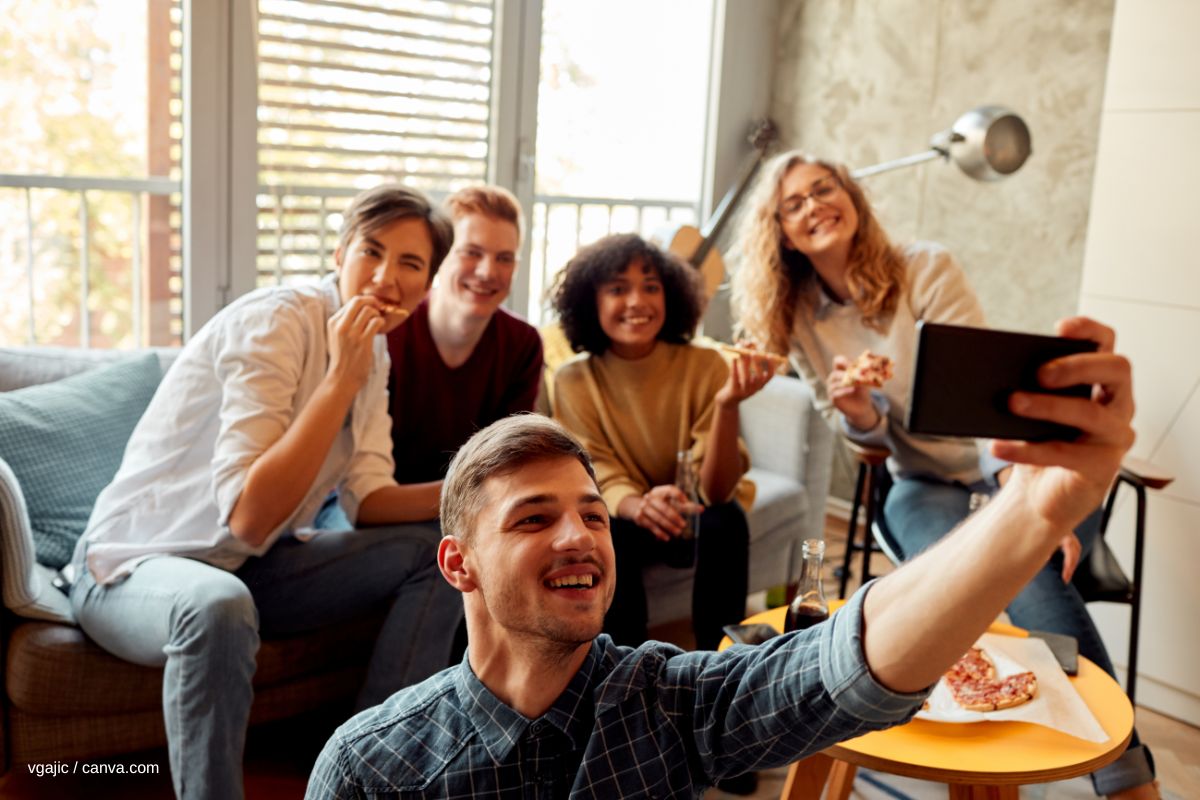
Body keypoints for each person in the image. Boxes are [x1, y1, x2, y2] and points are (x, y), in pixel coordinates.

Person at [307, 328, 1136, 797]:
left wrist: (1032, 511)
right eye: (534, 518)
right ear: (459, 565)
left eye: (592, 515)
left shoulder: (671, 703)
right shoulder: (369, 766)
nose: (579, 537)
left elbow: (843, 666)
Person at [730, 151, 1157, 799]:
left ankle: (1120, 769)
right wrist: (856, 412)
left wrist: (1020, 496)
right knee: (956, 579)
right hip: (921, 481)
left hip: (1009, 460)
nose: (813, 205)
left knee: (1024, 561)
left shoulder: (923, 267)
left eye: (824, 189)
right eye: (793, 204)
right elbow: (871, 448)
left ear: (850, 197)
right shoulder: (798, 319)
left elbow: (986, 398)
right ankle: (994, 734)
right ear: (782, 232)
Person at [68, 185, 465, 800]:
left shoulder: (372, 350)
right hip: (133, 564)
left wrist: (478, 485)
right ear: (339, 254)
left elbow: (366, 499)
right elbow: (249, 517)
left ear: (428, 284)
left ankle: (368, 775)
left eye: (410, 264)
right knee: (217, 604)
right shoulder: (280, 319)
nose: (385, 278)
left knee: (438, 555)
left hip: (250, 565)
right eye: (371, 252)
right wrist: (340, 378)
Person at [548, 233, 776, 651]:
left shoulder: (705, 364)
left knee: (726, 519)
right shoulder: (573, 379)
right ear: (590, 302)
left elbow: (718, 489)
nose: (637, 301)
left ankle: (724, 665)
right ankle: (623, 669)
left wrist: (727, 406)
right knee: (603, 527)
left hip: (692, 509)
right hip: (625, 512)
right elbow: (591, 465)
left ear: (671, 296)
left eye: (651, 287)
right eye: (618, 289)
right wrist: (638, 505)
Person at [381, 184, 543, 522]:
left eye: (504, 258)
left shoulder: (523, 344)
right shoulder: (389, 332)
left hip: (472, 516)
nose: (487, 272)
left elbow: (506, 462)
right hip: (381, 513)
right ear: (441, 257)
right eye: (472, 252)